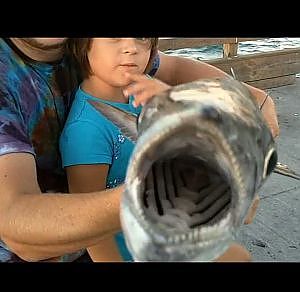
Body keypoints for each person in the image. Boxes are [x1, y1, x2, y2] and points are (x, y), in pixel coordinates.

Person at [0, 37, 279, 262]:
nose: (130, 47)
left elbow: (176, 68)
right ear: (84, 48)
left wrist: (255, 98)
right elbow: (18, 227)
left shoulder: (122, 73)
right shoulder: (85, 127)